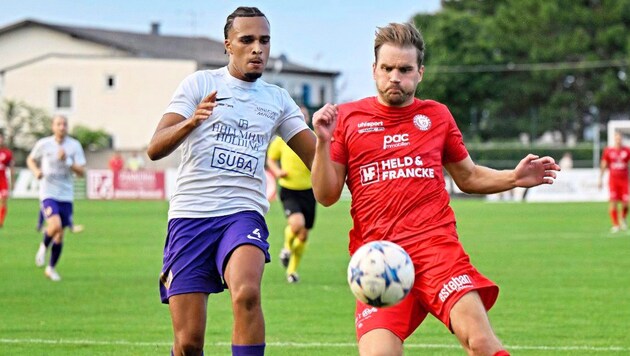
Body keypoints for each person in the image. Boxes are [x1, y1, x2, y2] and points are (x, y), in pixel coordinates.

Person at [310, 23, 560, 356]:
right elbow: (325, 196)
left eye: (404, 69)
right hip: (380, 261)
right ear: (374, 70)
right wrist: (323, 143)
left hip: (437, 250)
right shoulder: (348, 119)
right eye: (387, 68)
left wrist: (513, 178)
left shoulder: (437, 116)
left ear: (420, 72)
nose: (395, 76)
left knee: (482, 342)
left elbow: (468, 176)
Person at [146, 7, 316, 356]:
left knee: (247, 293)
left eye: (264, 40)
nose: (258, 48)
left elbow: (317, 158)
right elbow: (155, 147)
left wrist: (335, 144)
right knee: (189, 343)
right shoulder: (200, 84)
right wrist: (191, 122)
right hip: (190, 217)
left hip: (243, 213)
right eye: (247, 40)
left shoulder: (278, 100)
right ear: (228, 45)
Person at [28, 114, 86, 281]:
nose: (62, 127)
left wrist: (67, 161)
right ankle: (43, 246)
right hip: (48, 192)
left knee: (60, 235)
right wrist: (36, 171)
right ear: (53, 127)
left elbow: (81, 172)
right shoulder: (44, 144)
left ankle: (51, 268)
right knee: (55, 226)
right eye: (58, 124)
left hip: (66, 195)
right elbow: (31, 159)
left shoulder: (74, 146)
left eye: (64, 124)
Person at [266, 105, 317, 283]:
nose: (302, 119)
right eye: (299, 115)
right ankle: (287, 248)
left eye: (305, 116)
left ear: (308, 119)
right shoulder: (281, 140)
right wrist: (277, 171)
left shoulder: (314, 139)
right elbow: (270, 159)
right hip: (289, 189)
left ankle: (292, 272)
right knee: (296, 225)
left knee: (303, 235)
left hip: (309, 191)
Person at [598, 131, 630, 233]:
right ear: (614, 139)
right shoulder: (608, 151)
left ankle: (623, 218)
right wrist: (600, 178)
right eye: (616, 138)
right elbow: (603, 164)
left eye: (620, 138)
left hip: (624, 180)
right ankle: (616, 225)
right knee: (613, 202)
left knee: (626, 203)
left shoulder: (627, 150)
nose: (618, 140)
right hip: (613, 181)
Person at [0, 132, 14, 228]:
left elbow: (11, 167)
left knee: (3, 200)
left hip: (3, 180)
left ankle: (0, 221)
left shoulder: (7, 153)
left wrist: (13, 181)